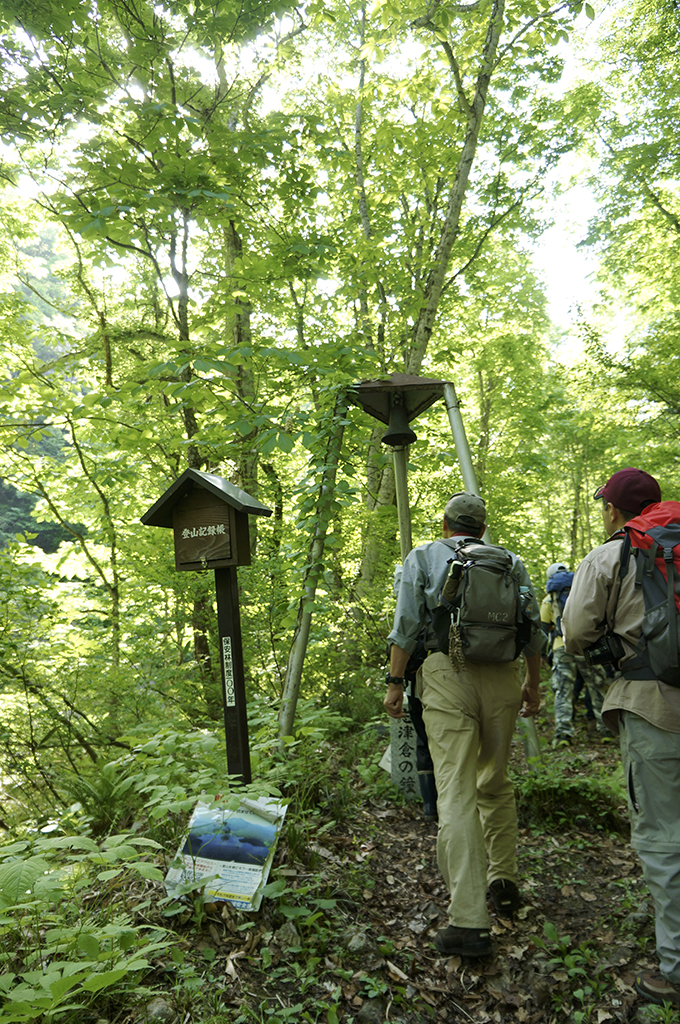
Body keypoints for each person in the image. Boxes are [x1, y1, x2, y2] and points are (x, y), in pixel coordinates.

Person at [384, 492, 542, 958]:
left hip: (445, 673)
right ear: (483, 528)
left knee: (455, 790)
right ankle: (504, 879)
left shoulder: (424, 556)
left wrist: (395, 682)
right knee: (495, 780)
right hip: (504, 677)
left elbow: (406, 624)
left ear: (445, 523)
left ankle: (470, 920)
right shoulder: (510, 562)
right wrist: (532, 684)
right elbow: (532, 629)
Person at [562, 467, 680, 1008]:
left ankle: (674, 969)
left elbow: (575, 634)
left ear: (613, 510)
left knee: (663, 837)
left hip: (652, 706)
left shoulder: (611, 556)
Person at [540, 563, 611, 746]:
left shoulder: (548, 600)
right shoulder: (581, 592)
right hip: (585, 646)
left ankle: (563, 734)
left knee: (563, 691)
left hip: (561, 648)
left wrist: (542, 653)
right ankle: (605, 730)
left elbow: (543, 627)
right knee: (597, 687)